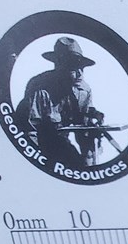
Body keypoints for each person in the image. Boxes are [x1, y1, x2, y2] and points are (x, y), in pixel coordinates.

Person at [14, 37, 105, 165]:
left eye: (82, 67)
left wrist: (89, 159)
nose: (80, 73)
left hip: (60, 144)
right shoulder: (40, 88)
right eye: (73, 66)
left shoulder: (83, 91)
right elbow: (29, 132)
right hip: (35, 146)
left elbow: (84, 130)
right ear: (59, 65)